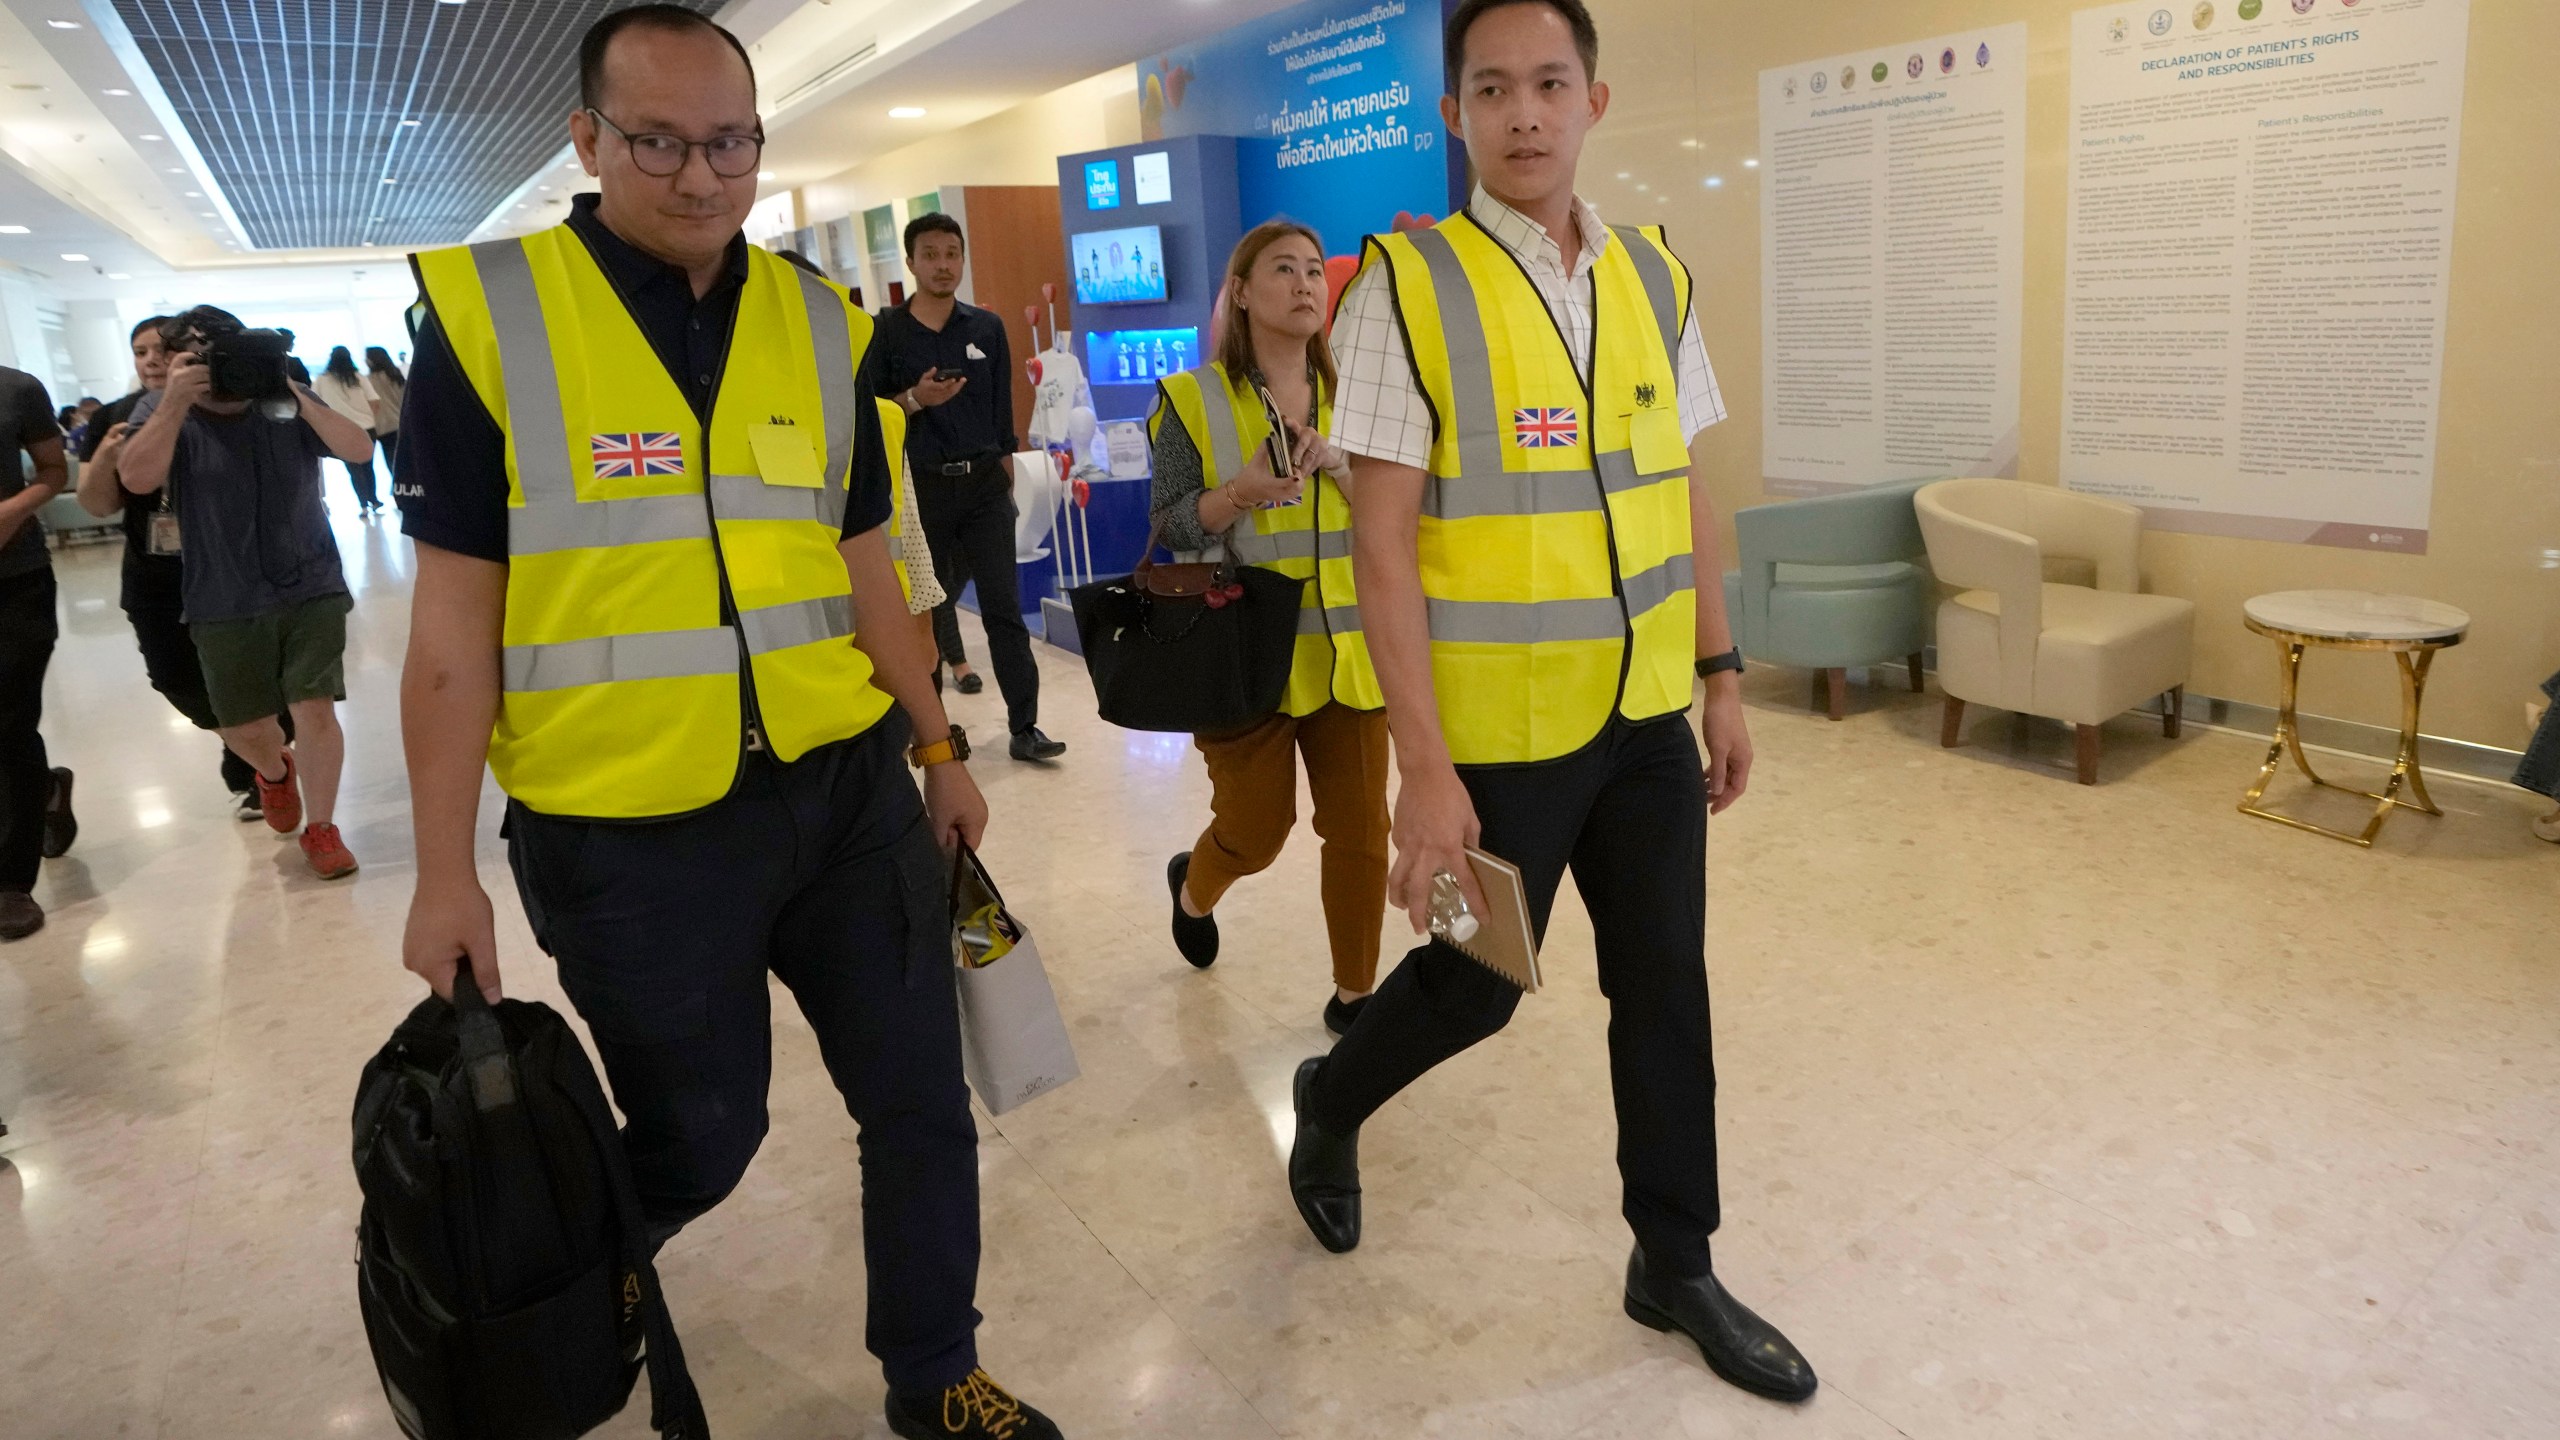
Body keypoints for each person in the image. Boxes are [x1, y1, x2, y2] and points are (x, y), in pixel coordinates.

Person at [393, 10, 1062, 1438]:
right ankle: (534, 1317)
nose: (700, 177)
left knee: (921, 1107)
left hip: (843, 796)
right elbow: (451, 625)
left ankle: (937, 1374)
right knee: (705, 1137)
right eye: (658, 142)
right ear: (586, 139)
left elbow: (865, 560)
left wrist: (938, 751)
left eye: (730, 144)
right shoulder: (489, 320)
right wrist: (442, 867)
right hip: (630, 832)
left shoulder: (825, 325)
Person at [1284, 0, 1817, 1403]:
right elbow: (1380, 542)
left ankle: (1676, 1258)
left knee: (1664, 985)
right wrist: (1421, 771)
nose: (1525, 112)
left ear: (1596, 100)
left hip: (1644, 719)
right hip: (1493, 740)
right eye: (1491, 87)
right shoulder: (1407, 286)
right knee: (1474, 983)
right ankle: (1330, 1104)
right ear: (1452, 113)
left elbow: (1682, 491)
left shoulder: (1653, 274)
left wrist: (1720, 675)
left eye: (1550, 83)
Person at [1148, 220, 1389, 1037]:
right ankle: (1194, 885)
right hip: (1242, 654)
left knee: (1361, 831)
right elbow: (1175, 526)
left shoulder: (1365, 396)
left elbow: (1407, 518)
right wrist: (1244, 490)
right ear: (1242, 292)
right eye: (1282, 269)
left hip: (1351, 655)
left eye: (1316, 271)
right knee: (1257, 834)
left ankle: (1355, 995)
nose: (1305, 284)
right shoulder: (1190, 399)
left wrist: (1343, 468)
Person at [116, 305, 371, 879]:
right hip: (222, 593)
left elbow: (358, 450)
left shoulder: (284, 400)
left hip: (311, 579)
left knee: (313, 705)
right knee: (245, 726)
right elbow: (135, 479)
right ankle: (274, 773)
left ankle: (323, 829)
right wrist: (177, 400)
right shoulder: (160, 408)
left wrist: (290, 388)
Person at [863, 212, 1067, 763]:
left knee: (1004, 608)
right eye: (931, 254)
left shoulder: (986, 328)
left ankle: (1025, 727)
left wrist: (1004, 466)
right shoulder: (884, 331)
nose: (943, 265)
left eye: (952, 253)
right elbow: (873, 415)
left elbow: (1003, 408)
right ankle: (930, 735)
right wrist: (914, 401)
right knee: (922, 611)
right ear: (911, 263)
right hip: (919, 492)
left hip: (981, 488)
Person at [76, 316, 285, 819]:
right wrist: (108, 456)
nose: (153, 361)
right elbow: (97, 505)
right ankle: (270, 761)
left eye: (163, 351)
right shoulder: (118, 417)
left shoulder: (237, 404)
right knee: (178, 680)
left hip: (239, 570)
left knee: (259, 681)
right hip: (157, 579)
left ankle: (262, 778)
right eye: (141, 352)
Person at [0, 363, 75, 940]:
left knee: (8, 722)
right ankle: (43, 789)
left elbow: (54, 470)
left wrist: (15, 508)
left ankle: (10, 883)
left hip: (14, 581)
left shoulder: (16, 388)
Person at [311, 345, 383, 515]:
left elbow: (315, 403)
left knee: (353, 468)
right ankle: (373, 500)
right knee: (368, 466)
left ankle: (363, 504)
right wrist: (367, 417)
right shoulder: (358, 377)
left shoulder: (322, 380)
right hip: (366, 427)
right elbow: (374, 401)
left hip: (339, 429)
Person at [363, 345, 405, 481]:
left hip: (381, 426)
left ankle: (399, 483)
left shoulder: (368, 380)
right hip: (399, 421)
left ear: (371, 360)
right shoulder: (395, 374)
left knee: (390, 457)